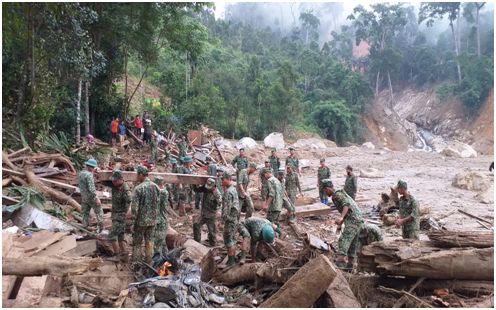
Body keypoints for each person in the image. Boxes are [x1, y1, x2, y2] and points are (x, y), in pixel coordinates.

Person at [321, 179, 362, 270]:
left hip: (353, 219)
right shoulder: (337, 194)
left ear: (327, 188)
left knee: (344, 238)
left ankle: (339, 262)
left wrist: (341, 217)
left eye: (324, 190)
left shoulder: (337, 194)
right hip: (357, 219)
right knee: (353, 242)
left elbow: (346, 205)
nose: (324, 192)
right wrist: (341, 223)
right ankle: (350, 265)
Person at [125, 166, 161, 264]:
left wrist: (132, 223)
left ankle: (136, 263)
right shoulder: (156, 187)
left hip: (141, 221)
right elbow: (158, 204)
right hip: (153, 220)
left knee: (137, 243)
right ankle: (149, 262)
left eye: (138, 175)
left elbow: (135, 208)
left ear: (141, 175)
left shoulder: (139, 189)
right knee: (150, 242)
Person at [102, 170, 132, 258]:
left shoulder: (125, 188)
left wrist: (130, 209)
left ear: (121, 179)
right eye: (112, 180)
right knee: (120, 235)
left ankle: (116, 255)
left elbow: (131, 200)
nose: (113, 181)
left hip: (121, 215)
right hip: (115, 214)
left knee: (112, 234)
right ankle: (124, 254)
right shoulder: (114, 184)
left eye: (115, 180)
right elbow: (102, 180)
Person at [217, 171, 240, 272]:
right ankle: (231, 258)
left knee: (229, 240)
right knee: (233, 239)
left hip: (229, 220)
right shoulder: (233, 190)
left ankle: (231, 261)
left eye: (223, 179)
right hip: (234, 219)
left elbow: (225, 210)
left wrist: (222, 222)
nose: (221, 181)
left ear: (228, 179)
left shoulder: (227, 192)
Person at [192, 178, 223, 247]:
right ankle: (196, 243)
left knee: (212, 233)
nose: (207, 189)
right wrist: (194, 183)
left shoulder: (217, 194)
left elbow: (221, 205)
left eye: (209, 187)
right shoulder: (205, 188)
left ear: (213, 186)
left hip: (211, 215)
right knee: (196, 224)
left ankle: (213, 247)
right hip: (203, 213)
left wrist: (219, 211)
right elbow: (197, 190)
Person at [77, 159, 104, 233]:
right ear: (91, 166)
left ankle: (84, 230)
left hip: (84, 197)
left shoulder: (81, 173)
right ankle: (100, 231)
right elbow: (92, 189)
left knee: (85, 214)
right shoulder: (89, 175)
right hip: (91, 197)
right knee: (99, 213)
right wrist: (97, 199)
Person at [262, 168, 286, 239]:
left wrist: (266, 204)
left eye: (264, 175)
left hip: (273, 206)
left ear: (267, 173)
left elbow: (271, 194)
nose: (264, 177)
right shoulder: (277, 180)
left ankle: (280, 232)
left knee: (269, 222)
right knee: (276, 222)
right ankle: (277, 237)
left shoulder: (270, 181)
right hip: (279, 205)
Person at [153, 176, 169, 257]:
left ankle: (158, 259)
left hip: (162, 220)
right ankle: (166, 256)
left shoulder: (164, 192)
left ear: (161, 184)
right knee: (162, 241)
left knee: (158, 240)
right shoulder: (161, 192)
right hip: (159, 220)